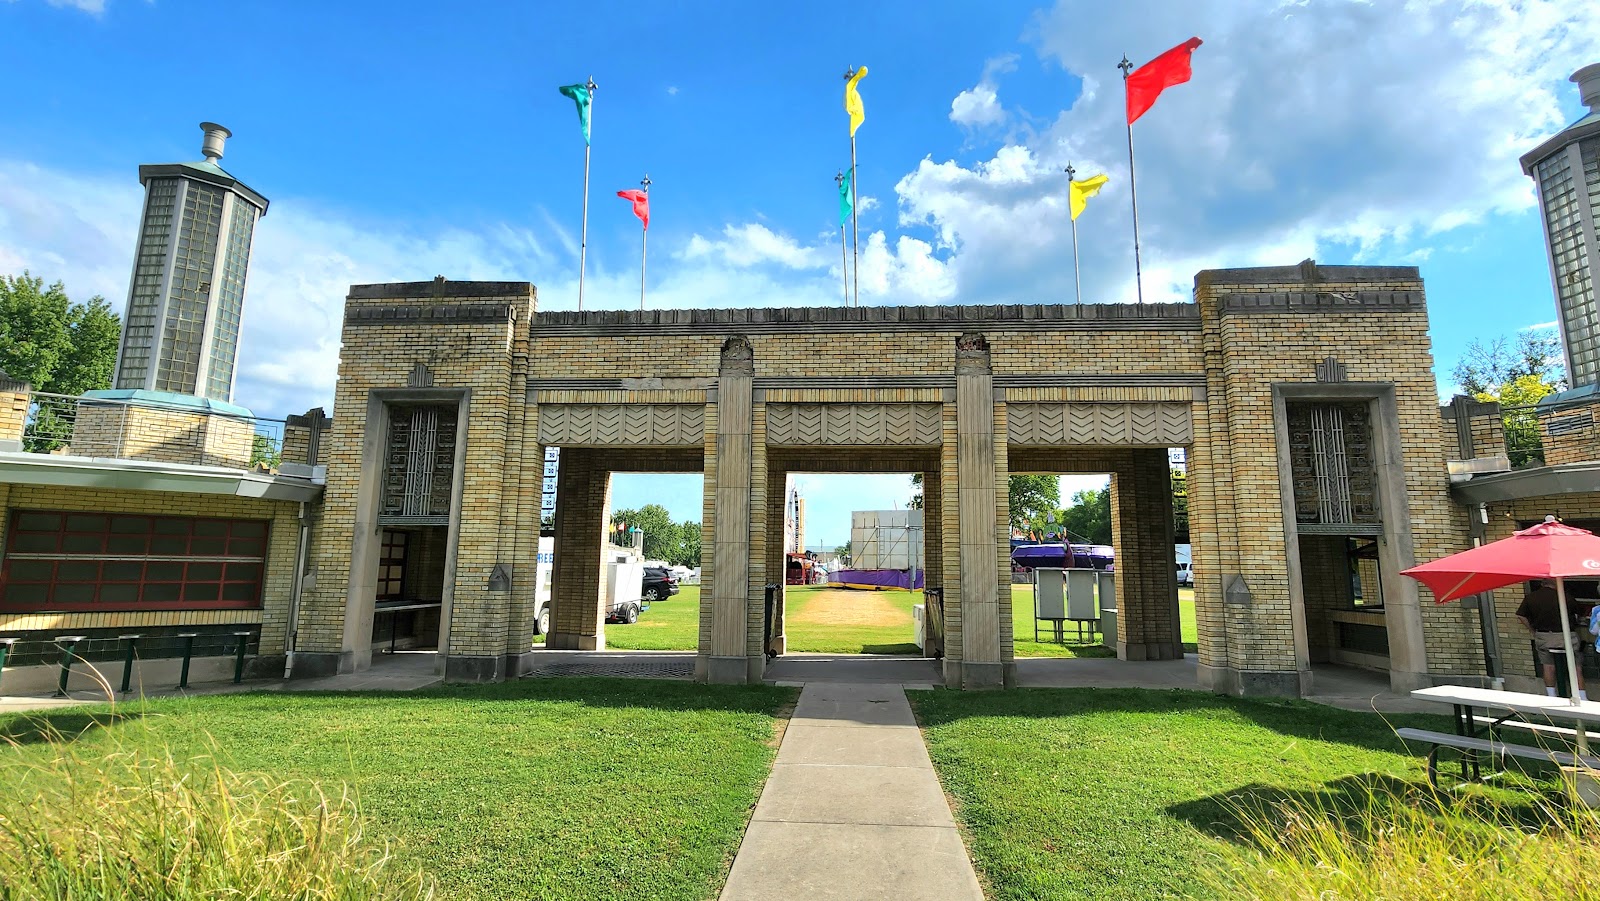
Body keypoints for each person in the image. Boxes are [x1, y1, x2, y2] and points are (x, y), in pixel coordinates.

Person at [1516, 579, 1588, 699]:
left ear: (1542, 584)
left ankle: (1551, 696)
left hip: (1544, 636)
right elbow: (1579, 614)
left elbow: (1520, 615)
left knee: (1548, 666)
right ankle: (1582, 697)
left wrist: (1532, 630)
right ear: (1556, 584)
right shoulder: (1565, 596)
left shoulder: (1531, 597)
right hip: (1566, 636)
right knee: (1576, 667)